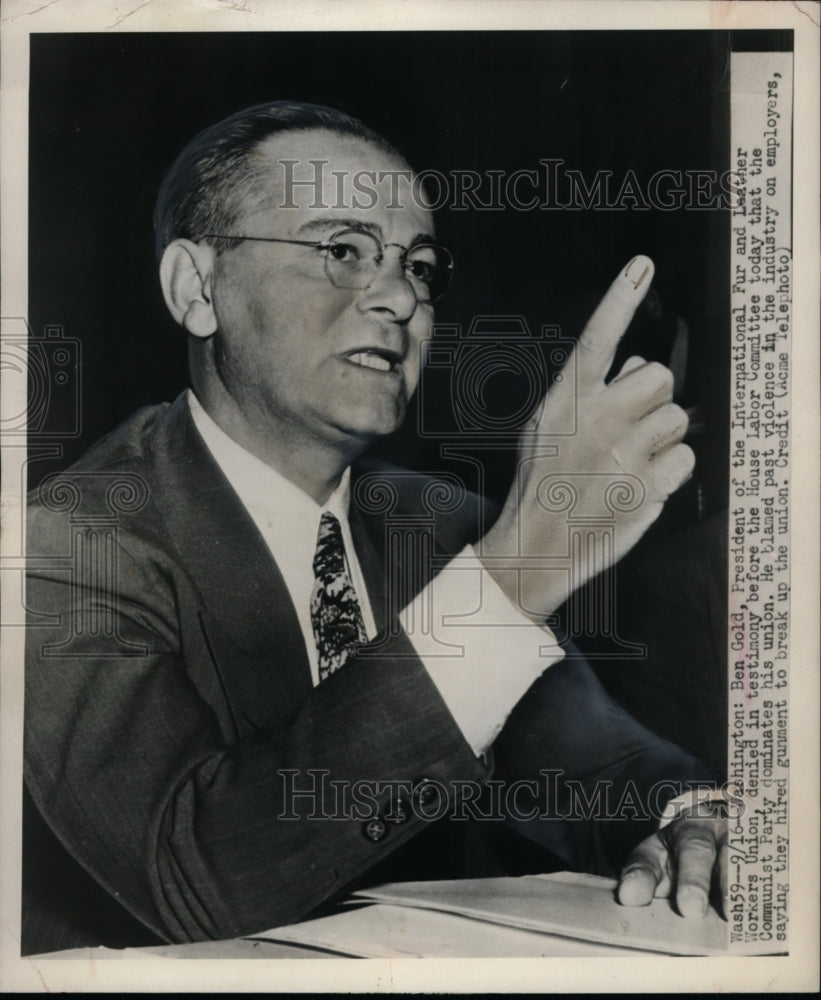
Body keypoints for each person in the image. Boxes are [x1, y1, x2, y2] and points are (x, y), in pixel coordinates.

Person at [23, 101, 727, 955]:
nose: (399, 296)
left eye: (420, 267)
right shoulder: (65, 547)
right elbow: (196, 881)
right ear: (195, 288)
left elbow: (609, 767)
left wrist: (690, 814)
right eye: (341, 251)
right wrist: (506, 583)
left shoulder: (436, 524)